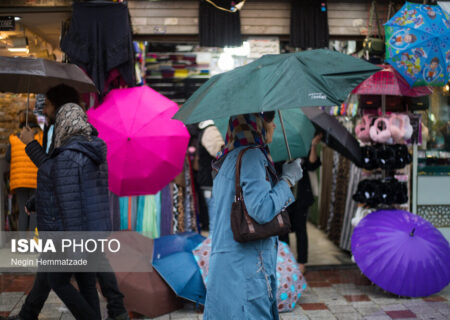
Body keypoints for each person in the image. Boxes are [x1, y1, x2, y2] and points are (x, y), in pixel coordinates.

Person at [2, 84, 128, 320]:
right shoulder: (87, 146)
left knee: (57, 279)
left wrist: (31, 145)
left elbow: (57, 179)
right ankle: (30, 313)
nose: (46, 110)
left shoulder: (73, 150)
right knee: (85, 281)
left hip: (72, 228)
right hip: (86, 227)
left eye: (49, 105)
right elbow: (65, 185)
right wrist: (35, 200)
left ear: (62, 114)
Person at [203, 112, 303, 320]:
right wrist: (287, 180)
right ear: (256, 125)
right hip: (246, 267)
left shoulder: (227, 158)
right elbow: (262, 210)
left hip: (228, 264)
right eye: (269, 120)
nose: (274, 125)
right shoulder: (252, 156)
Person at [279, 132, 323, 274]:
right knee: (283, 230)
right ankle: (285, 261)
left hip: (301, 197)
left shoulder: (303, 149)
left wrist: (314, 146)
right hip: (283, 198)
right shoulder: (278, 149)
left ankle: (302, 262)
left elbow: (312, 165)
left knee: (301, 230)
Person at [5, 111, 43, 231]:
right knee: (33, 210)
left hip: (19, 180)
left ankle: (22, 243)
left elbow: (8, 158)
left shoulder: (13, 138)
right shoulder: (40, 136)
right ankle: (33, 243)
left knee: (23, 210)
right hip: (35, 180)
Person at [196, 120, 224, 234]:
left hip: (209, 181)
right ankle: (214, 248)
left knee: (215, 218)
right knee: (216, 219)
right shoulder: (210, 130)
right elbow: (219, 152)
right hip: (211, 182)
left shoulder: (205, 130)